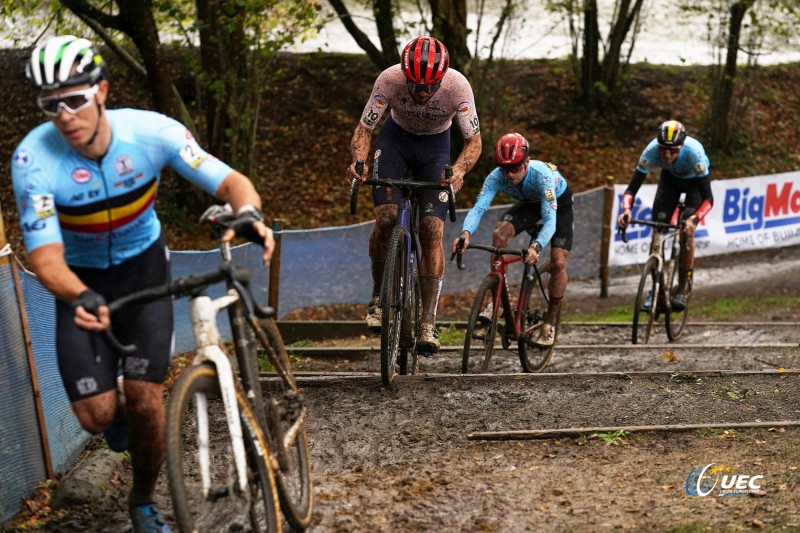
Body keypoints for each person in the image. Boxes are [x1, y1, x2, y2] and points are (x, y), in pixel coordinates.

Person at [11, 35, 275, 532]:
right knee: (95, 416)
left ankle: (142, 501)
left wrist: (248, 213)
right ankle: (116, 417)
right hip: (80, 280)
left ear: (102, 90)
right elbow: (45, 259)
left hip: (143, 266)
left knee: (146, 398)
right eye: (51, 105)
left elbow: (229, 180)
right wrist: (77, 295)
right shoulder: (34, 161)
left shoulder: (152, 133)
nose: (65, 115)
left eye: (75, 99)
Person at [346, 36, 482, 354]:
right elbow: (364, 129)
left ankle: (428, 322)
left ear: (442, 78)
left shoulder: (458, 87)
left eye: (429, 86)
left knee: (432, 229)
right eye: (415, 85)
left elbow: (474, 141)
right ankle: (379, 299)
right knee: (386, 218)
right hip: (396, 141)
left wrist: (459, 171)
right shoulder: (389, 79)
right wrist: (358, 160)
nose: (421, 93)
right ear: (404, 75)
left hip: (436, 147)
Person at [452, 132, 573, 348]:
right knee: (499, 234)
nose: (509, 174)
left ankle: (550, 321)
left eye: (515, 168)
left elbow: (550, 221)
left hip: (557, 205)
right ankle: (496, 299)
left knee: (558, 261)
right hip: (528, 203)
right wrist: (466, 233)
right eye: (504, 168)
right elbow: (479, 208)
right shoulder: (495, 176)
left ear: (527, 162)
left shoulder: (542, 176)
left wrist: (536, 247)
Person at [617, 120, 713, 310]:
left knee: (686, 231)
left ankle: (684, 287)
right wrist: (626, 210)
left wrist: (694, 220)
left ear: (682, 146)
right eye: (663, 150)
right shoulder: (651, 151)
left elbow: (709, 200)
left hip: (695, 183)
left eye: (673, 150)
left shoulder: (695, 154)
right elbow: (631, 189)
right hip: (670, 181)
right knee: (657, 227)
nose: (667, 155)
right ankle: (656, 289)